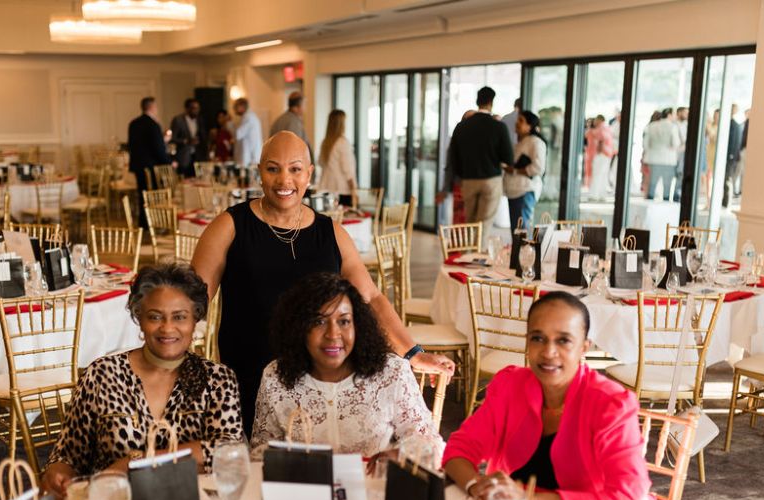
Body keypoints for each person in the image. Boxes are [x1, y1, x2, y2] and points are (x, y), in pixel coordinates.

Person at [191, 131, 455, 434]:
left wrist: (413, 353)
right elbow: (193, 300)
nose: (284, 180)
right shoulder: (229, 226)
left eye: (295, 169)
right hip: (248, 377)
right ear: (259, 171)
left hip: (319, 382)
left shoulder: (331, 233)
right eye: (273, 168)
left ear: (309, 174)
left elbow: (370, 298)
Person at [442, 292, 650, 500]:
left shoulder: (611, 405)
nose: (548, 352)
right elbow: (459, 449)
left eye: (563, 340)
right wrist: (475, 486)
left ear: (584, 348)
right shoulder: (509, 385)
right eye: (538, 338)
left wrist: (527, 498)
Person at [40, 262, 244, 499]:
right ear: (139, 318)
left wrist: (135, 463)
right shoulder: (102, 375)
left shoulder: (217, 380)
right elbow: (68, 455)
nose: (167, 328)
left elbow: (228, 452)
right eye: (155, 317)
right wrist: (57, 473)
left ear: (195, 320)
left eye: (179, 317)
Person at [251, 273, 441, 457]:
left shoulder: (391, 372)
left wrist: (400, 455)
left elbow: (431, 444)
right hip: (305, 479)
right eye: (319, 321)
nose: (333, 334)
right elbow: (260, 453)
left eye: (344, 321)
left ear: (357, 325)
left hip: (373, 478)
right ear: (299, 327)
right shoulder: (275, 377)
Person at [447, 86, 514, 233]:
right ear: (491, 102)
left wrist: (461, 176)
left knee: (469, 224)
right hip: (491, 180)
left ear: (477, 101)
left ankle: (469, 248)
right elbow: (508, 158)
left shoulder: (461, 127)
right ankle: (479, 248)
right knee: (484, 225)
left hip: (468, 180)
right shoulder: (498, 127)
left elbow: (453, 156)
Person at [127, 97, 172, 228]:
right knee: (153, 196)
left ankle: (144, 223)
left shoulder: (133, 123)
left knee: (143, 195)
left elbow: (132, 146)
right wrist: (169, 162)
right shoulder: (153, 125)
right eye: (155, 107)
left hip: (138, 166)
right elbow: (158, 149)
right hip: (151, 167)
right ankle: (154, 223)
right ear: (152, 107)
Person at [503, 111, 547, 230]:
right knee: (516, 230)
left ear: (529, 126)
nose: (517, 123)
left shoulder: (535, 142)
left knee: (522, 230)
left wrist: (515, 171)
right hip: (514, 191)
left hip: (524, 190)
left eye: (521, 121)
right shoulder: (520, 143)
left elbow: (538, 168)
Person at [317, 110, 358, 208]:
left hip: (326, 189)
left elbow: (320, 163)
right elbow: (348, 170)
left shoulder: (325, 142)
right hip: (342, 191)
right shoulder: (343, 143)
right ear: (341, 124)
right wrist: (354, 191)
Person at [644, 108, 680, 201]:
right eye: (674, 114)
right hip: (668, 159)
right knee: (667, 186)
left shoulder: (651, 126)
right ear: (669, 115)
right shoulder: (673, 127)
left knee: (652, 184)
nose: (675, 116)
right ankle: (665, 204)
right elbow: (676, 144)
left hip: (653, 159)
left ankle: (649, 203)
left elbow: (645, 144)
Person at [269, 92, 313, 163]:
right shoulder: (294, 122)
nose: (305, 108)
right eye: (304, 105)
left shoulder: (280, 119)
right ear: (295, 108)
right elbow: (295, 149)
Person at [170, 98, 206, 178]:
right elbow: (172, 139)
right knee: (185, 180)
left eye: (198, 108)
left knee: (199, 179)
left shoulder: (199, 120)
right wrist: (186, 141)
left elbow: (203, 137)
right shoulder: (178, 120)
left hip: (197, 157)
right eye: (193, 108)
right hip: (183, 157)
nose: (196, 110)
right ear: (187, 109)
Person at [585, 114, 614, 202]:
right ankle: (601, 194)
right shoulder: (607, 128)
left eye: (596, 120)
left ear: (600, 120)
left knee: (597, 174)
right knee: (603, 175)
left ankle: (594, 194)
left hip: (601, 154)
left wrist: (599, 151)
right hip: (606, 154)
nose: (594, 121)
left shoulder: (600, 129)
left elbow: (600, 139)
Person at [232, 97, 263, 166]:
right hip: (249, 156)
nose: (234, 110)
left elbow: (238, 134)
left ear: (241, 106)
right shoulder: (249, 116)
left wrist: (229, 123)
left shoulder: (248, 117)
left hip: (249, 157)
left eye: (235, 107)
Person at [723, 104, 743, 207]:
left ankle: (726, 201)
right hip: (730, 156)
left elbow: (735, 142)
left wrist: (731, 156)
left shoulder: (734, 125)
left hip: (731, 157)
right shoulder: (729, 123)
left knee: (728, 179)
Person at [673, 106, 688, 202]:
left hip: (683, 153)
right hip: (674, 153)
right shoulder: (673, 124)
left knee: (681, 175)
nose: (687, 115)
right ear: (679, 113)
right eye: (685, 113)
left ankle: (677, 195)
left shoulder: (687, 125)